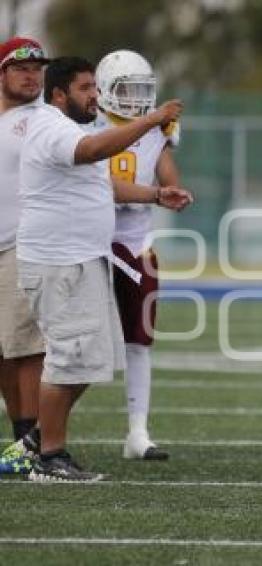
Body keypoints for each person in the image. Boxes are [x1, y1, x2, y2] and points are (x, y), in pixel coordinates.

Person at [16, 56, 185, 481]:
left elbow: (100, 183)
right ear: (59, 94)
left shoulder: (71, 129)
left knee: (91, 360)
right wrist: (151, 121)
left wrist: (153, 195)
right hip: (60, 262)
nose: (94, 96)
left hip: (83, 259)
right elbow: (95, 151)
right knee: (68, 358)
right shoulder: (51, 126)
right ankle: (50, 457)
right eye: (85, 88)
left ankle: (39, 440)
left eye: (95, 87)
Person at [93, 49, 190, 460]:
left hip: (137, 245)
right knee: (70, 343)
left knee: (140, 341)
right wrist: (155, 193)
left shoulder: (155, 131)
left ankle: (138, 432)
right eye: (126, 89)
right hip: (92, 244)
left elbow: (168, 177)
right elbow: (106, 186)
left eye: (141, 90)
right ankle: (41, 430)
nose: (135, 98)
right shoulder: (88, 127)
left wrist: (174, 191)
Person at [0, 37, 49, 472]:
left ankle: (31, 442)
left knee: (27, 348)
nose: (32, 74)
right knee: (3, 349)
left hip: (22, 242)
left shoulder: (44, 119)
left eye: (37, 67)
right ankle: (19, 437)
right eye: (21, 67)